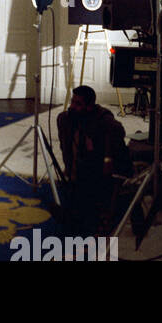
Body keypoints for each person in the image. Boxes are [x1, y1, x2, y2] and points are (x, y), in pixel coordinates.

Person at [56, 86, 130, 234]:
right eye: (72, 102)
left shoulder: (103, 119)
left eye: (78, 104)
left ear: (89, 107)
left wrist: (106, 156)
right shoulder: (65, 119)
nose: (71, 107)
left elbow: (118, 130)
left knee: (87, 215)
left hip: (99, 175)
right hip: (78, 175)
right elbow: (66, 149)